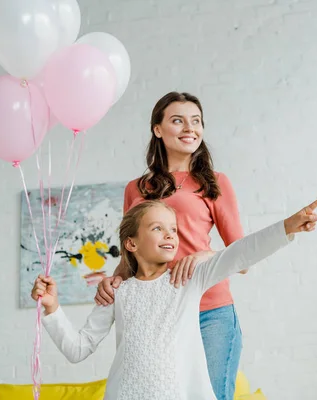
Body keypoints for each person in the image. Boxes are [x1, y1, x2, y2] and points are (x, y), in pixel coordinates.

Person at [32, 195, 317, 400]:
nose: (170, 235)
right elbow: (78, 349)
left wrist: (286, 227)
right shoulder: (118, 291)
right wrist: (53, 308)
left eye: (173, 229)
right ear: (131, 243)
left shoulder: (189, 278)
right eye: (157, 228)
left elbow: (239, 254)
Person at [95, 91, 247, 399]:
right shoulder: (136, 189)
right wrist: (113, 281)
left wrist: (207, 254)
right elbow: (131, 252)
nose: (190, 128)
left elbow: (243, 258)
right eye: (178, 120)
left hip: (210, 312)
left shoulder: (214, 183)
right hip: (158, 316)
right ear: (158, 129)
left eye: (196, 121)